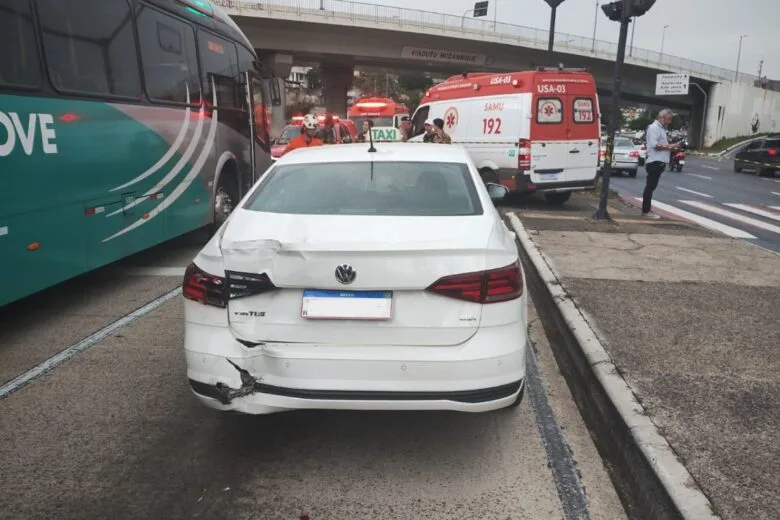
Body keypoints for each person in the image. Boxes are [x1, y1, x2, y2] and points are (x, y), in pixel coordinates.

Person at [642, 108, 680, 219]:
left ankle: (646, 209)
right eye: (668, 119)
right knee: (650, 186)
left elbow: (661, 144)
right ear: (662, 118)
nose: (669, 122)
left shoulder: (661, 129)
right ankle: (646, 211)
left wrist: (672, 148)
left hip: (659, 161)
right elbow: (655, 145)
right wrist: (671, 146)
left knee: (651, 187)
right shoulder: (654, 128)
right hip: (655, 161)